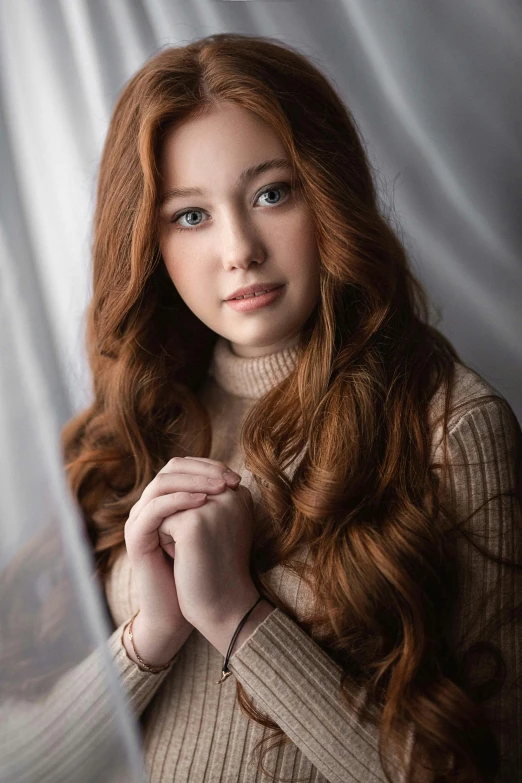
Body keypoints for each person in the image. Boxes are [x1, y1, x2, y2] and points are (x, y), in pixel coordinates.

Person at [10, 32, 522, 783]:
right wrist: (150, 636)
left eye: (271, 193)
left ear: (330, 194)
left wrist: (238, 617)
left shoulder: (453, 428)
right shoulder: (133, 426)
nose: (240, 248)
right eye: (191, 216)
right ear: (147, 241)